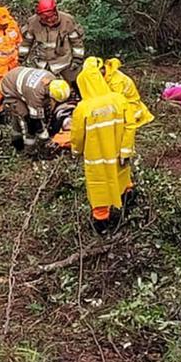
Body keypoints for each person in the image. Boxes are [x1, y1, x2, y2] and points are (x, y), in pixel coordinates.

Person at [71, 60, 129, 235]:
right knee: (123, 178)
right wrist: (127, 148)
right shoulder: (119, 99)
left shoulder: (83, 108)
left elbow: (77, 134)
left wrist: (76, 150)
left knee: (99, 186)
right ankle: (128, 207)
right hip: (119, 153)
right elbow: (130, 125)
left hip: (96, 157)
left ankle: (102, 225)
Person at [103, 58, 154, 204]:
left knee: (124, 143)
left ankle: (128, 188)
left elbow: (115, 105)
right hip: (126, 110)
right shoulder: (109, 76)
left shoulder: (116, 82)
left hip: (131, 111)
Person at [0, 66, 71, 150]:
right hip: (9, 88)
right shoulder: (35, 94)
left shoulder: (51, 78)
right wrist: (43, 134)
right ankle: (27, 147)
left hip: (17, 76)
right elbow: (34, 120)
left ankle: (23, 141)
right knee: (25, 117)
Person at [20, 0, 86, 85]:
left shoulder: (67, 21)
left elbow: (77, 43)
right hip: (42, 64)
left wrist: (77, 60)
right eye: (45, 18)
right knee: (43, 90)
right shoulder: (33, 23)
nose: (50, 20)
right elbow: (26, 43)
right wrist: (20, 59)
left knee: (77, 84)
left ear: (55, 11)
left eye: (51, 17)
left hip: (65, 63)